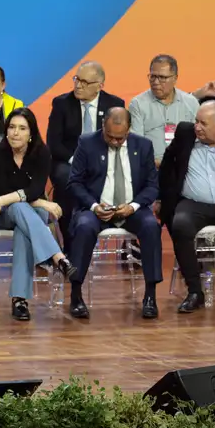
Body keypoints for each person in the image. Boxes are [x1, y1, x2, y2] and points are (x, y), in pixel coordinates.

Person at [65, 108, 161, 319]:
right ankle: (76, 295)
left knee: (151, 226)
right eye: (110, 137)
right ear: (103, 127)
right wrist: (94, 206)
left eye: (120, 138)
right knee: (84, 226)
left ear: (129, 130)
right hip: (96, 208)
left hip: (131, 209)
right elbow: (74, 183)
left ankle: (150, 296)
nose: (115, 142)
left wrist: (133, 206)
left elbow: (152, 186)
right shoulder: (87, 143)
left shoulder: (143, 146)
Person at [159, 101, 215, 313]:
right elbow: (167, 163)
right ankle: (194, 292)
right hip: (192, 204)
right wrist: (162, 197)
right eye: (196, 121)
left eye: (203, 123)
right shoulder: (185, 134)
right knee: (180, 225)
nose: (197, 127)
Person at [0, 108, 76, 321]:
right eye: (11, 127)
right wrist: (41, 201)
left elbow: (35, 188)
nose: (15, 133)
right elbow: (3, 189)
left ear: (31, 133)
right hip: (5, 214)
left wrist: (5, 199)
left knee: (22, 227)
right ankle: (58, 257)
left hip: (29, 212)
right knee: (18, 209)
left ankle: (20, 300)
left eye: (22, 128)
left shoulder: (42, 153)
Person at [46, 62, 125, 243]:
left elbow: (119, 140)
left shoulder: (114, 105)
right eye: (76, 79)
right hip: (68, 161)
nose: (78, 85)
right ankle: (68, 239)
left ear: (99, 86)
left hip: (103, 160)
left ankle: (105, 227)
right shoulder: (61, 103)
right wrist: (76, 160)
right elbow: (54, 143)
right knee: (65, 178)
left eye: (85, 82)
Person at [128, 54, 199, 166]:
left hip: (185, 167)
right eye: (153, 76)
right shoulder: (138, 104)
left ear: (175, 78)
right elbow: (137, 145)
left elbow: (199, 141)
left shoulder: (191, 103)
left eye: (162, 77)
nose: (156, 82)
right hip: (151, 167)